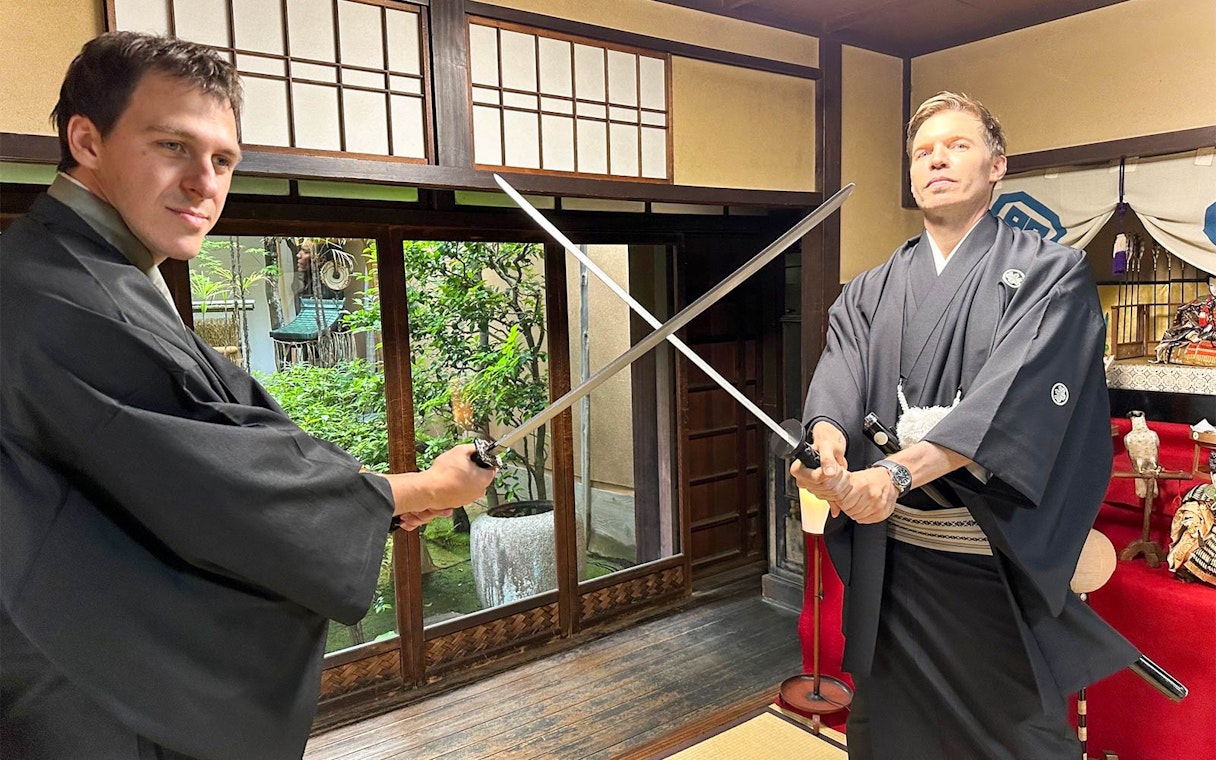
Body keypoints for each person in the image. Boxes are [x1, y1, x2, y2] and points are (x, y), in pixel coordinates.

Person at [0, 32, 496, 759]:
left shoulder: (79, 268)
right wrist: (411, 487)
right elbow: (206, 477)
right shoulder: (60, 296)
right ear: (87, 140)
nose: (206, 183)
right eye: (173, 146)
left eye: (223, 159)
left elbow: (185, 459)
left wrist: (376, 501)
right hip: (85, 688)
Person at [792, 92, 1140, 758]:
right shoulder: (870, 288)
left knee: (1014, 735)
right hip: (889, 562)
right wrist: (828, 449)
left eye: (957, 146)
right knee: (888, 728)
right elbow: (838, 373)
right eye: (922, 152)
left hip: (985, 565)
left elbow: (1014, 402)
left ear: (997, 166)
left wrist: (896, 471)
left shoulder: (1050, 273)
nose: (937, 161)